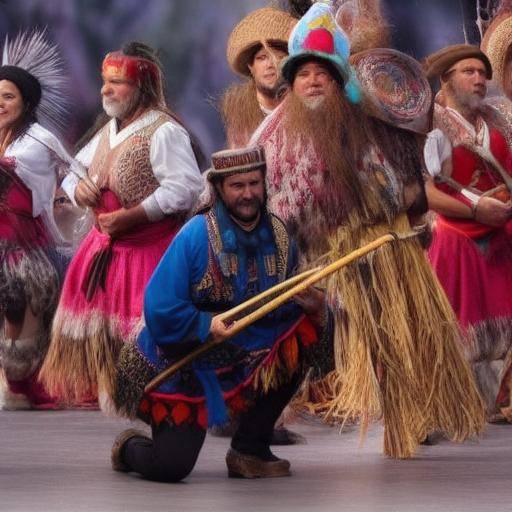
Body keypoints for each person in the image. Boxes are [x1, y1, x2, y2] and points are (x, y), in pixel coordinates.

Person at [252, 2, 484, 459]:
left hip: (382, 246)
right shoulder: (271, 137)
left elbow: (416, 180)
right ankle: (255, 433)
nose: (313, 80)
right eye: (303, 74)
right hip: (315, 262)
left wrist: (413, 212)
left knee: (400, 338)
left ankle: (409, 420)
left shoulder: (374, 120)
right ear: (291, 83)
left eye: (323, 73)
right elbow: (258, 199)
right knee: (297, 348)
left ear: (339, 81)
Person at [111, 146, 326, 481]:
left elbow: (281, 305)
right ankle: (128, 448)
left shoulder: (281, 236)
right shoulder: (196, 236)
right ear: (219, 189)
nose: (248, 194)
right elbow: (159, 305)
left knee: (306, 331)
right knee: (171, 468)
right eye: (237, 186)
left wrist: (314, 305)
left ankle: (250, 449)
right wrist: (204, 324)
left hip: (242, 352)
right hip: (183, 358)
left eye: (254, 183)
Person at [39, 42, 204, 409]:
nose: (106, 90)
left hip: (150, 254)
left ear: (141, 87)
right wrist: (78, 190)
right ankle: (121, 396)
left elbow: (185, 187)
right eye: (104, 81)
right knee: (110, 344)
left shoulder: (163, 131)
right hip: (105, 252)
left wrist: (135, 215)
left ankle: (156, 404)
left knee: (147, 341)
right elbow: (73, 172)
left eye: (117, 82)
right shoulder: (106, 133)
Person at [423, 44, 512, 421]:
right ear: (445, 79)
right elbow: (424, 190)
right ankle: (445, 405)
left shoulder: (497, 121)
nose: (479, 79)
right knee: (452, 326)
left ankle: (496, 402)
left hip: (500, 230)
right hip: (452, 233)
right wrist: (477, 208)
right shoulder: (430, 124)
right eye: (468, 72)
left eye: (482, 72)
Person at [0, 30, 81, 409]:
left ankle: (23, 383)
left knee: (21, 305)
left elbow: (76, 169)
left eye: (8, 97)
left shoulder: (39, 139)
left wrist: (74, 197)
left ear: (26, 102)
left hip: (24, 244)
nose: (0, 103)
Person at [220, 7, 297, 148]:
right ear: (250, 66)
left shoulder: (301, 108)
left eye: (279, 57)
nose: (270, 64)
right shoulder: (241, 116)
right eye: (262, 58)